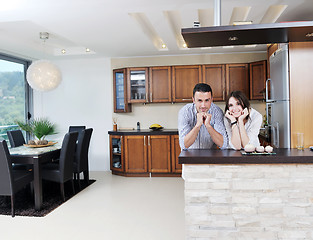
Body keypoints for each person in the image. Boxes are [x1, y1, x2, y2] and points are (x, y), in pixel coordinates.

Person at [178, 83, 228, 150]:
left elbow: (223, 144)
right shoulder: (185, 112)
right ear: (193, 100)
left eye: (207, 100)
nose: (203, 105)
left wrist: (208, 126)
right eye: (199, 100)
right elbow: (184, 145)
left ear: (211, 100)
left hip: (210, 157)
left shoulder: (217, 112)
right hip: (189, 156)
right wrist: (198, 125)